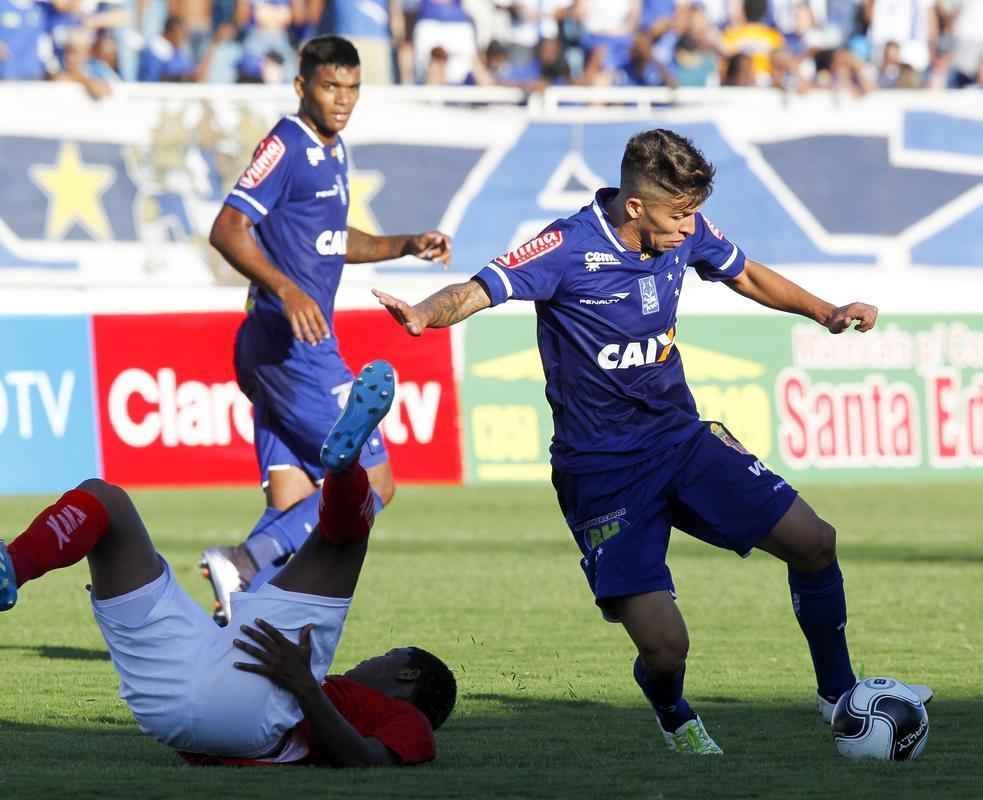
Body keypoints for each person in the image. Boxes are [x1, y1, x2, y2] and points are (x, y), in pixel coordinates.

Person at [372, 129, 933, 754]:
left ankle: (839, 695)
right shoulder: (565, 245)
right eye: (679, 213)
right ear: (635, 207)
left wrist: (825, 311)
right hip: (602, 472)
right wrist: (425, 313)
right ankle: (672, 712)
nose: (690, 227)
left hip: (681, 441)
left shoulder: (685, 231)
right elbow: (478, 290)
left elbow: (745, 274)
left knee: (814, 541)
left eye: (694, 211)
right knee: (667, 648)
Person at [0, 361, 457, 767]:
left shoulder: (408, 721)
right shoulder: (340, 693)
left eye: (384, 657)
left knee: (343, 546)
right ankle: (11, 568)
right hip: (175, 703)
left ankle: (346, 469)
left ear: (407, 674)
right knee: (106, 502)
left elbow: (366, 761)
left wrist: (303, 685)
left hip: (259, 703)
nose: (369, 661)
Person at [203, 35, 452, 625]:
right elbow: (228, 228)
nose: (342, 100)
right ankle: (242, 562)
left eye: (352, 88)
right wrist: (286, 289)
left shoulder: (333, 149)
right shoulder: (286, 143)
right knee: (375, 484)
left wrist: (404, 244)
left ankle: (244, 612)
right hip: (292, 344)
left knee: (292, 502)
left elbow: (335, 241)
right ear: (302, 87)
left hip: (277, 346)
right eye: (330, 87)